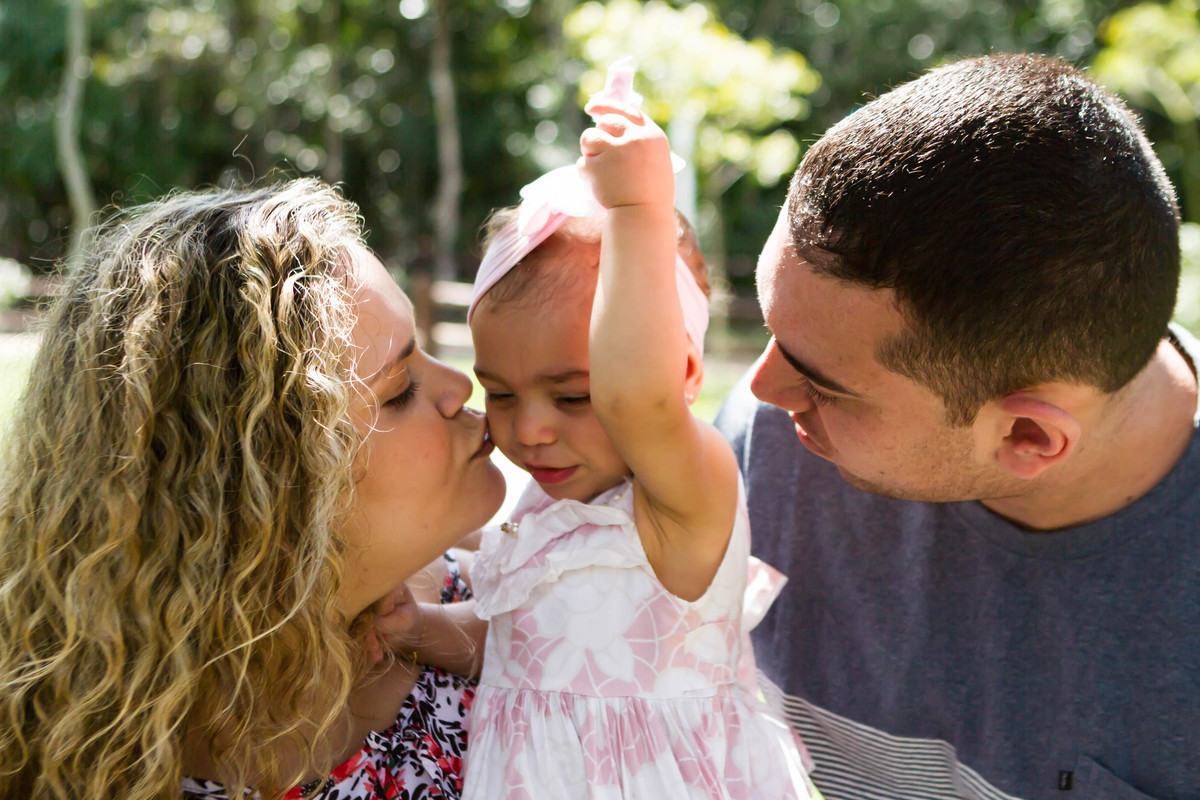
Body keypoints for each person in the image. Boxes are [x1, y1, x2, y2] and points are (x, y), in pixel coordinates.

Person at [715, 53, 1200, 800]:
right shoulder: (763, 448)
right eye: (775, 336)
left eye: (821, 382)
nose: (762, 390)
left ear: (1029, 438)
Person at [0, 179, 506, 800]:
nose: (461, 386)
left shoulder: (522, 603)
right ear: (271, 493)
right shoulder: (83, 765)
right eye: (398, 390)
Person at [460, 63, 814, 799]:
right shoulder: (546, 512)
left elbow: (639, 401)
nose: (529, 430)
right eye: (496, 392)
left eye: (575, 396)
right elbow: (528, 646)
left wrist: (640, 210)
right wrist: (424, 628)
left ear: (679, 372)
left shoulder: (683, 503)